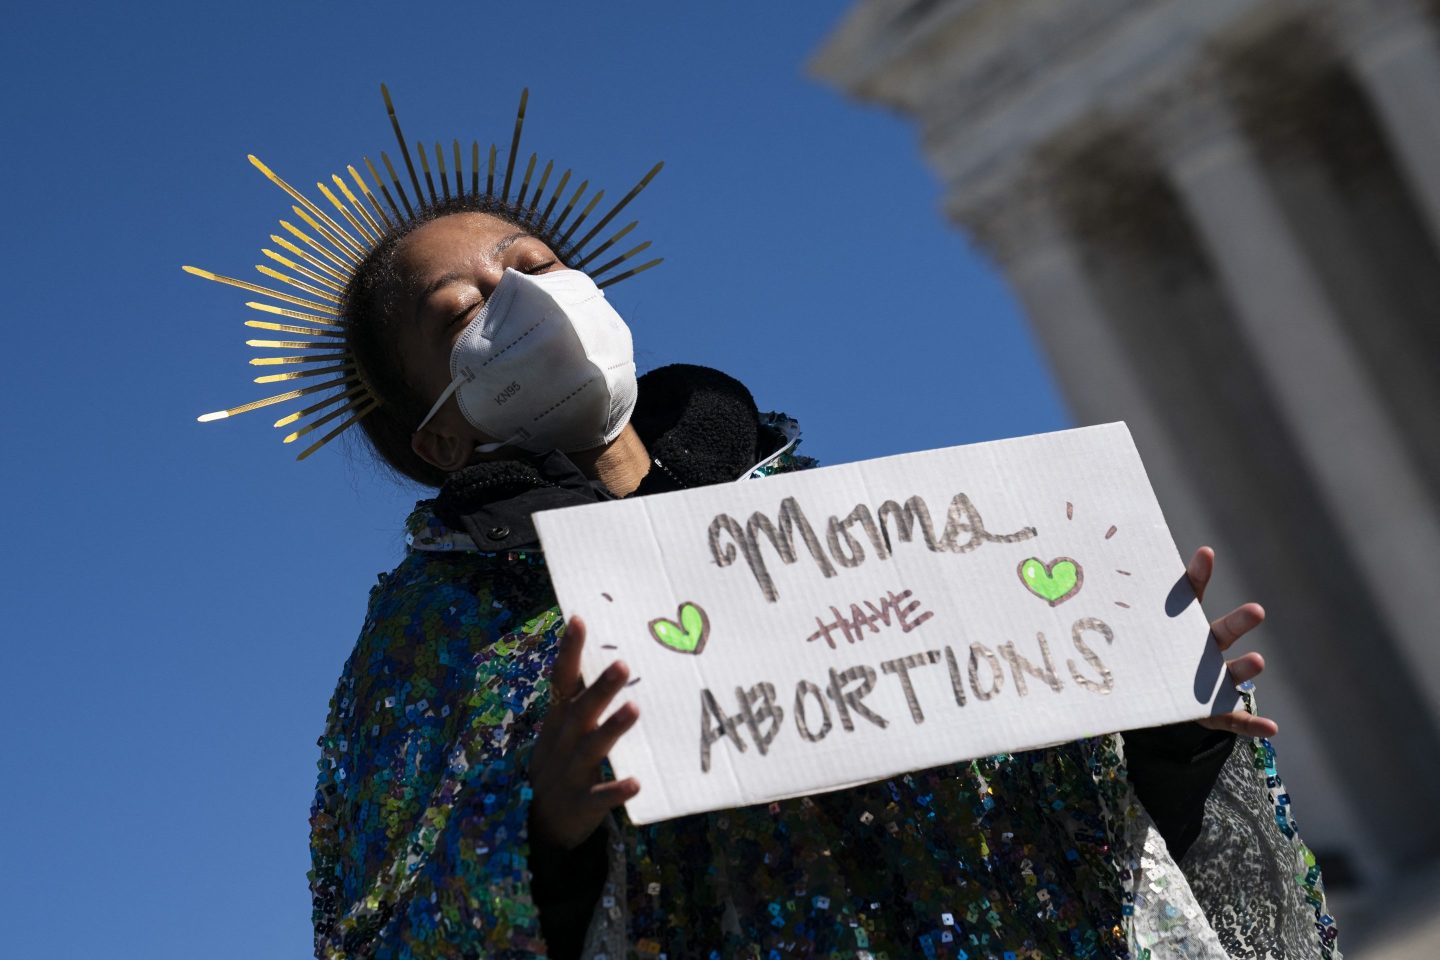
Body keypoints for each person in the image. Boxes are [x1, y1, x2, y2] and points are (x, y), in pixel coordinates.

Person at [190, 89, 1340, 960]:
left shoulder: (851, 525)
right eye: (464, 311)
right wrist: (543, 822)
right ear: (433, 437)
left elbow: (1061, 832)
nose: (523, 301)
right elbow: (385, 930)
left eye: (535, 266)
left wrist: (1161, 723)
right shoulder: (432, 641)